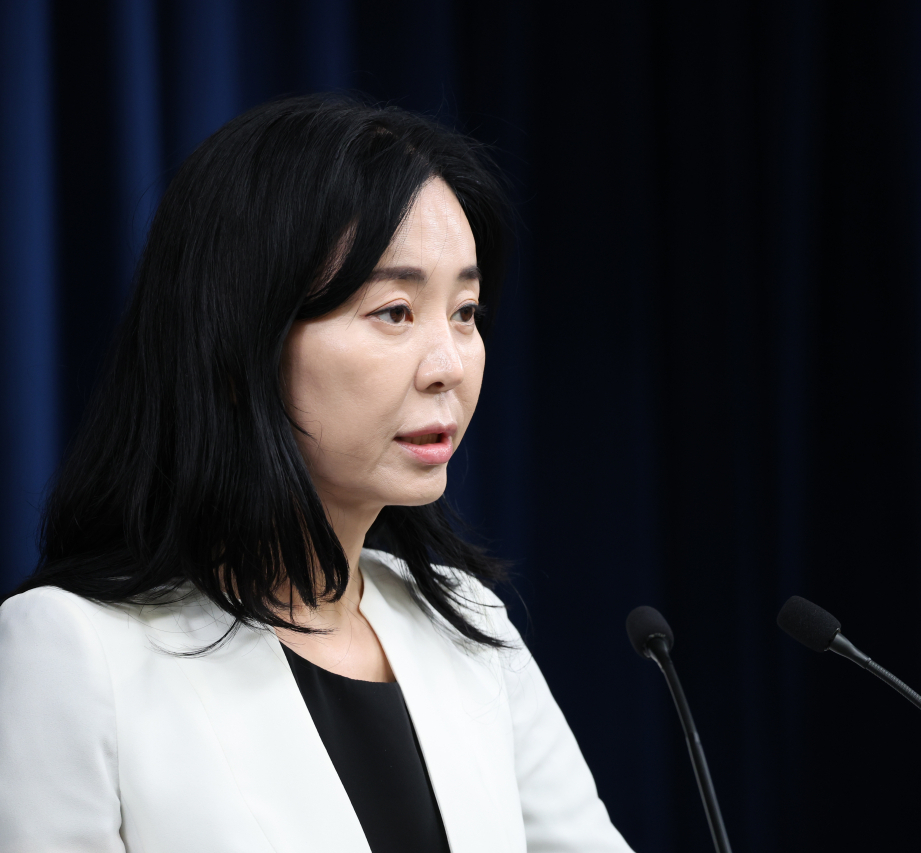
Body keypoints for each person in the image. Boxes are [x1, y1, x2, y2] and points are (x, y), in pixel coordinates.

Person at [0, 95, 635, 853]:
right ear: (242, 343)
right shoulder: (72, 649)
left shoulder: (469, 626)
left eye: (465, 312)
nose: (450, 366)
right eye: (395, 311)